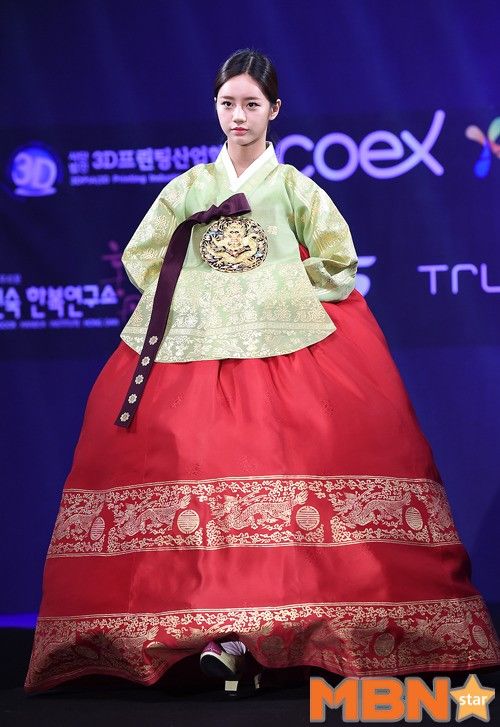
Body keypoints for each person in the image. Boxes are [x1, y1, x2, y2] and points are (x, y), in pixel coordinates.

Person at [25, 49, 500, 694]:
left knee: (294, 471)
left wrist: (276, 289)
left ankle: (286, 633)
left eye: (251, 104)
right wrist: (202, 292)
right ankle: (203, 632)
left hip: (287, 353)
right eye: (228, 104)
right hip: (196, 356)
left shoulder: (293, 188)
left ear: (274, 110)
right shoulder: (190, 188)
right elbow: (143, 257)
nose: (239, 117)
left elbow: (338, 260)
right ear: (216, 108)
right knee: (190, 470)